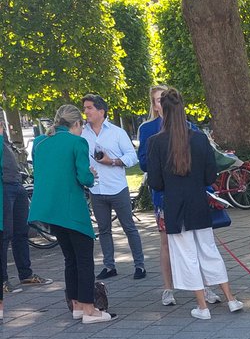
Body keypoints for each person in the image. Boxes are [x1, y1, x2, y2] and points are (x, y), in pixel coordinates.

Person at [146, 88, 243, 321]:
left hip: (175, 206)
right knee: (209, 251)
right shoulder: (199, 138)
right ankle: (230, 299)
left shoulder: (155, 142)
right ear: (183, 109)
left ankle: (202, 307)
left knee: (186, 256)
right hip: (199, 202)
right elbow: (210, 176)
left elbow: (156, 182)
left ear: (163, 110)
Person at [28, 105, 115, 324]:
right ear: (76, 124)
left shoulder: (39, 142)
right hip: (71, 208)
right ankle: (89, 310)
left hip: (48, 208)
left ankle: (75, 304)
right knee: (84, 259)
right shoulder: (77, 142)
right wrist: (91, 173)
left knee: (70, 259)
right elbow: (84, 178)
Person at [138, 84, 210, 310]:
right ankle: (168, 288)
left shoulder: (190, 128)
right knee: (166, 242)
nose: (161, 104)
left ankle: (205, 285)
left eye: (163, 99)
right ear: (154, 105)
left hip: (190, 193)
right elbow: (143, 163)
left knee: (198, 241)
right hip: (164, 195)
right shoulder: (148, 130)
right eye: (157, 100)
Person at [80, 94, 146, 281]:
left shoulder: (117, 132)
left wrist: (113, 161)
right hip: (96, 189)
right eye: (84, 108)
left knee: (129, 227)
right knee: (103, 229)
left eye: (89, 108)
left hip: (117, 188)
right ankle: (109, 266)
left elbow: (132, 157)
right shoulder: (82, 133)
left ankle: (139, 265)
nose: (85, 112)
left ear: (101, 111)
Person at [2, 136, 49, 302]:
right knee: (4, 234)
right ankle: (3, 281)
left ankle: (26, 274)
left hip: (16, 184)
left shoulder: (4, 138)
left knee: (21, 231)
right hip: (4, 186)